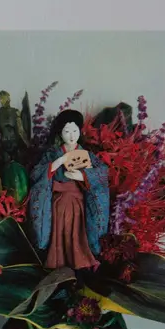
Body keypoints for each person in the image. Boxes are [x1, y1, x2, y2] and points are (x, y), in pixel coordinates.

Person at [28, 109, 110, 270]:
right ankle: (59, 261)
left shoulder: (86, 154)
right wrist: (58, 163)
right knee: (60, 229)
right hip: (59, 201)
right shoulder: (53, 153)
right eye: (67, 131)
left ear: (80, 131)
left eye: (75, 131)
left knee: (79, 232)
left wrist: (82, 176)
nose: (71, 135)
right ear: (60, 133)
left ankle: (80, 261)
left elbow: (102, 172)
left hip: (80, 201)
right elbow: (36, 173)